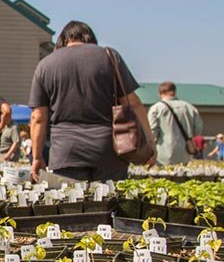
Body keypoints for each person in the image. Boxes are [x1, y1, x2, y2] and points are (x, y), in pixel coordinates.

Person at [28, 20, 155, 182]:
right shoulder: (110, 57)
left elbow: (38, 117)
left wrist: (37, 157)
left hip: (66, 152)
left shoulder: (45, 65)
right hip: (108, 151)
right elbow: (134, 103)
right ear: (90, 38)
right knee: (110, 204)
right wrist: (150, 143)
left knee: (71, 205)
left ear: (62, 40)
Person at [147, 81, 204, 166]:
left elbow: (152, 132)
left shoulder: (156, 108)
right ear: (174, 91)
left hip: (163, 155)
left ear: (160, 93)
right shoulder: (189, 107)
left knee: (163, 179)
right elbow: (198, 130)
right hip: (186, 154)